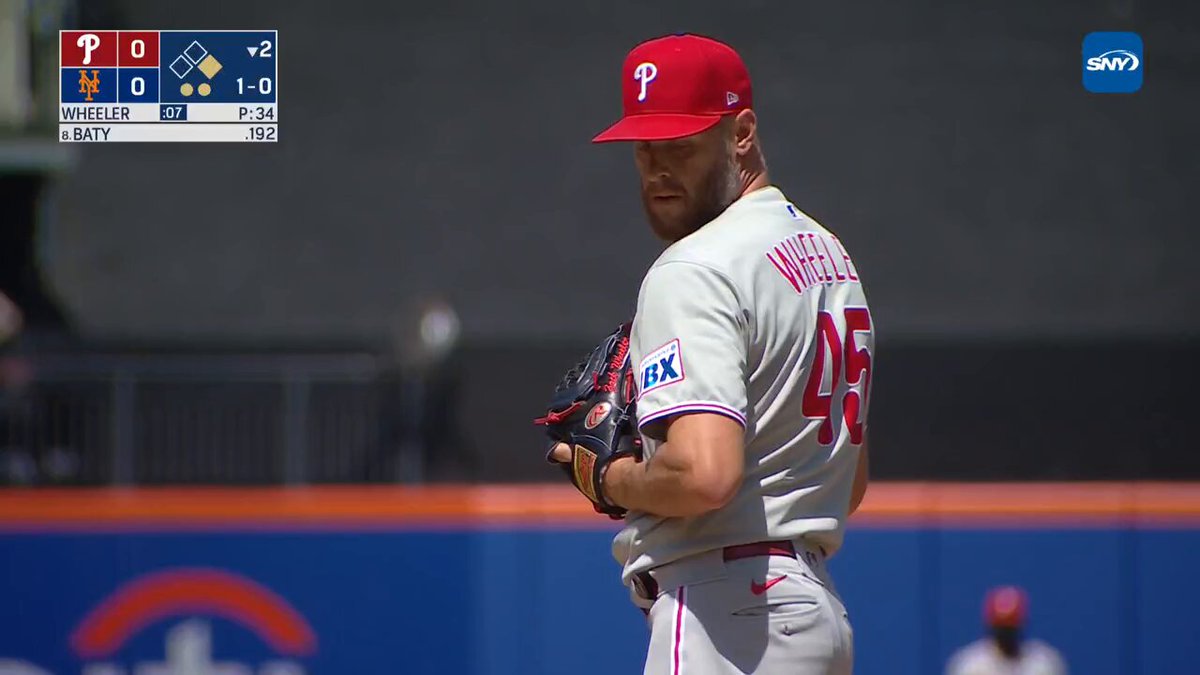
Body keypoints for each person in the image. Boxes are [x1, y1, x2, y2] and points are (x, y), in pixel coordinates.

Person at [551, 33, 873, 674]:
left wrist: (610, 478)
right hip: (813, 615)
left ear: (741, 133)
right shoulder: (829, 256)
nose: (658, 168)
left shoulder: (694, 267)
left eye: (680, 144)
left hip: (729, 614)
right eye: (644, 147)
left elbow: (705, 476)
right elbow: (850, 480)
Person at [945, 586, 1068, 675]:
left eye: (1010, 629)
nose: (1005, 635)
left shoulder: (1043, 663)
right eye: (1001, 629)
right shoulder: (970, 665)